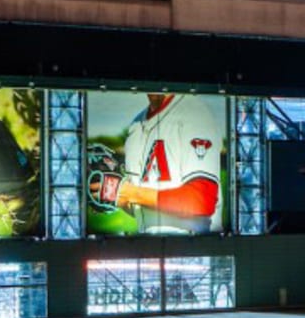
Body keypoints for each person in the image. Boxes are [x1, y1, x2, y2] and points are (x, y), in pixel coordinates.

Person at [92, 93, 224, 234]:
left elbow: (202, 200)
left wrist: (131, 193)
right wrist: (115, 196)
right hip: (150, 243)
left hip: (196, 243)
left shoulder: (194, 113)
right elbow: (146, 211)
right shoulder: (135, 126)